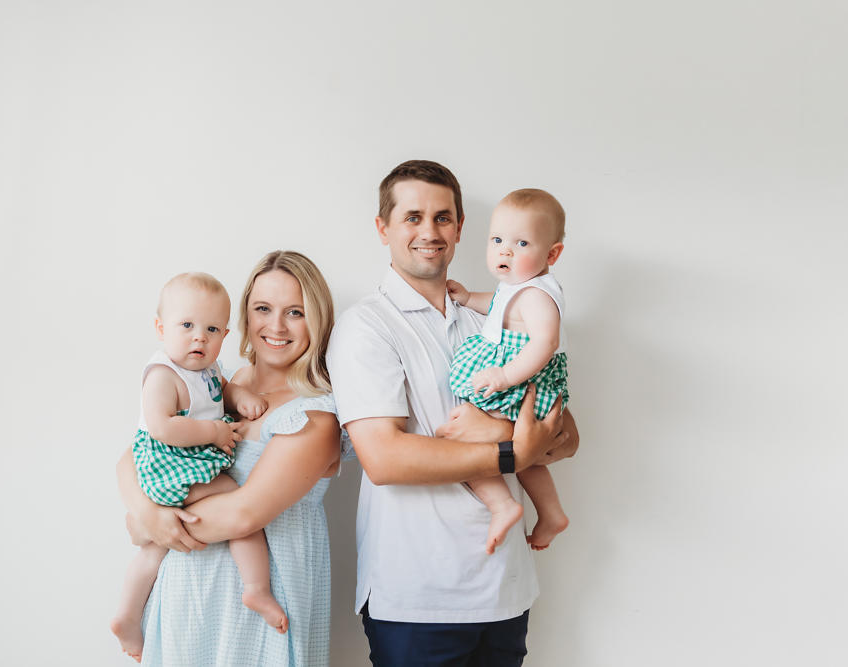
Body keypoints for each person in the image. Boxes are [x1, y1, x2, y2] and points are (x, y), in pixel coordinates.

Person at [327, 160, 580, 666]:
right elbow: (385, 460)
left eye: (443, 218)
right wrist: (513, 451)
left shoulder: (499, 317)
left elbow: (566, 435)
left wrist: (500, 431)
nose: (430, 231)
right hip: (417, 596)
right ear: (384, 228)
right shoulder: (366, 327)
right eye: (412, 217)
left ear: (461, 227)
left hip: (503, 591)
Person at [116, 251, 342, 667]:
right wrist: (146, 510)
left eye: (295, 312)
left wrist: (154, 523)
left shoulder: (315, 416)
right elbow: (133, 454)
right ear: (243, 317)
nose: (275, 326)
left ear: (317, 319)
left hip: (263, 606)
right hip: (188, 595)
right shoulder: (221, 385)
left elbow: (242, 515)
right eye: (262, 309)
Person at [111, 272, 287, 663]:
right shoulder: (162, 375)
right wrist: (212, 431)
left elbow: (220, 389)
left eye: (211, 329)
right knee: (234, 499)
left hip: (185, 463)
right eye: (187, 325)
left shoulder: (206, 370)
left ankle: (126, 615)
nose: (199, 338)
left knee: (157, 547)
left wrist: (239, 397)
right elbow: (161, 426)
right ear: (161, 328)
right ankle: (256, 586)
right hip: (169, 463)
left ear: (225, 333)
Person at [446, 189, 571, 554]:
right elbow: (500, 305)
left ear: (552, 254)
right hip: (517, 374)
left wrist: (504, 376)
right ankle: (547, 511)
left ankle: (508, 506)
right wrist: (470, 298)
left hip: (524, 377)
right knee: (516, 449)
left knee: (472, 441)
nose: (505, 250)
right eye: (497, 240)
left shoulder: (538, 296)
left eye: (521, 242)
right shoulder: (518, 287)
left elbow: (544, 344)